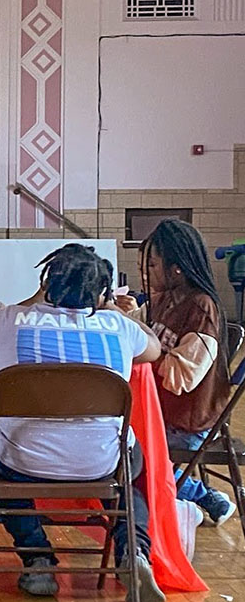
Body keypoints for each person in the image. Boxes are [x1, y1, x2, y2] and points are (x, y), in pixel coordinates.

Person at [0, 245, 165, 602]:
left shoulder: (9, 319)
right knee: (130, 472)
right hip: (100, 462)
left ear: (47, 283)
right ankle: (134, 554)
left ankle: (37, 560)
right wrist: (115, 311)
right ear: (102, 293)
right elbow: (153, 349)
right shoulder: (118, 325)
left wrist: (37, 296)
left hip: (21, 461)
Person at [117, 219, 235, 525]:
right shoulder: (165, 298)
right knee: (110, 439)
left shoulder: (201, 308)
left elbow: (182, 377)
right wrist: (120, 313)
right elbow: (139, 324)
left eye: (153, 265)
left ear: (176, 269)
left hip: (186, 420)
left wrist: (144, 341)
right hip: (160, 411)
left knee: (121, 452)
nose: (146, 273)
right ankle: (195, 495)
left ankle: (201, 496)